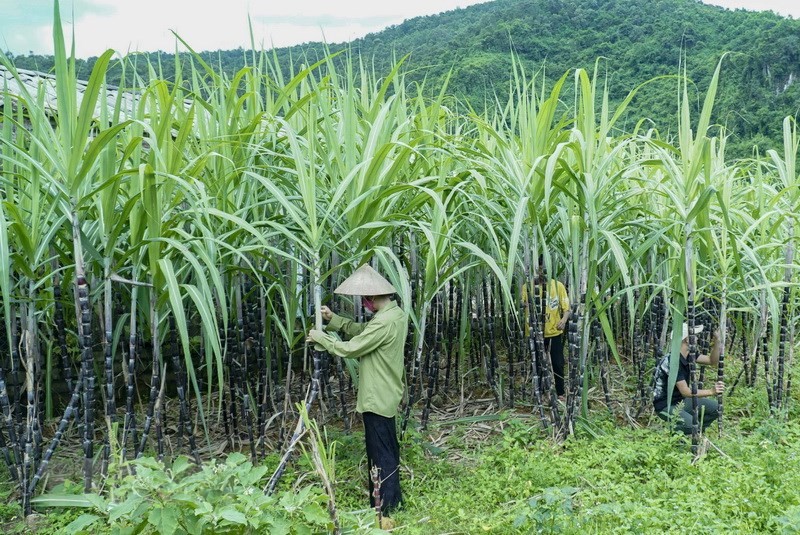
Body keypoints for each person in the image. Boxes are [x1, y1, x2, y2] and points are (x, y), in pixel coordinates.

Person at [306, 264, 407, 526]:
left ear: (372, 298)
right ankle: (393, 500)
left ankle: (383, 509)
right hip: (387, 392)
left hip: (377, 395)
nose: (365, 304)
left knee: (380, 452)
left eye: (365, 300)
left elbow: (352, 348)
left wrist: (321, 338)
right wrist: (334, 320)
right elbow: (363, 332)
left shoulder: (383, 322)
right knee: (388, 448)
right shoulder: (395, 315)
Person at [652, 323, 724, 434]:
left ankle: (695, 432)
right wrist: (711, 391)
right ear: (687, 339)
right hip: (665, 405)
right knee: (691, 425)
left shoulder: (688, 355)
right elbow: (685, 392)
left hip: (680, 401)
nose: (697, 338)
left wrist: (717, 341)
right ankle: (676, 436)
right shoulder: (673, 361)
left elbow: (712, 361)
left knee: (716, 408)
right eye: (694, 335)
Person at [523, 259, 570, 398]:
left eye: (544, 269)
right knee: (537, 363)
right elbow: (523, 305)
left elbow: (566, 308)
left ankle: (560, 392)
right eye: (539, 269)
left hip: (553, 331)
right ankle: (540, 392)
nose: (541, 272)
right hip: (535, 332)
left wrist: (563, 320)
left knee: (558, 362)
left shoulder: (558, 286)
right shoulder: (528, 287)